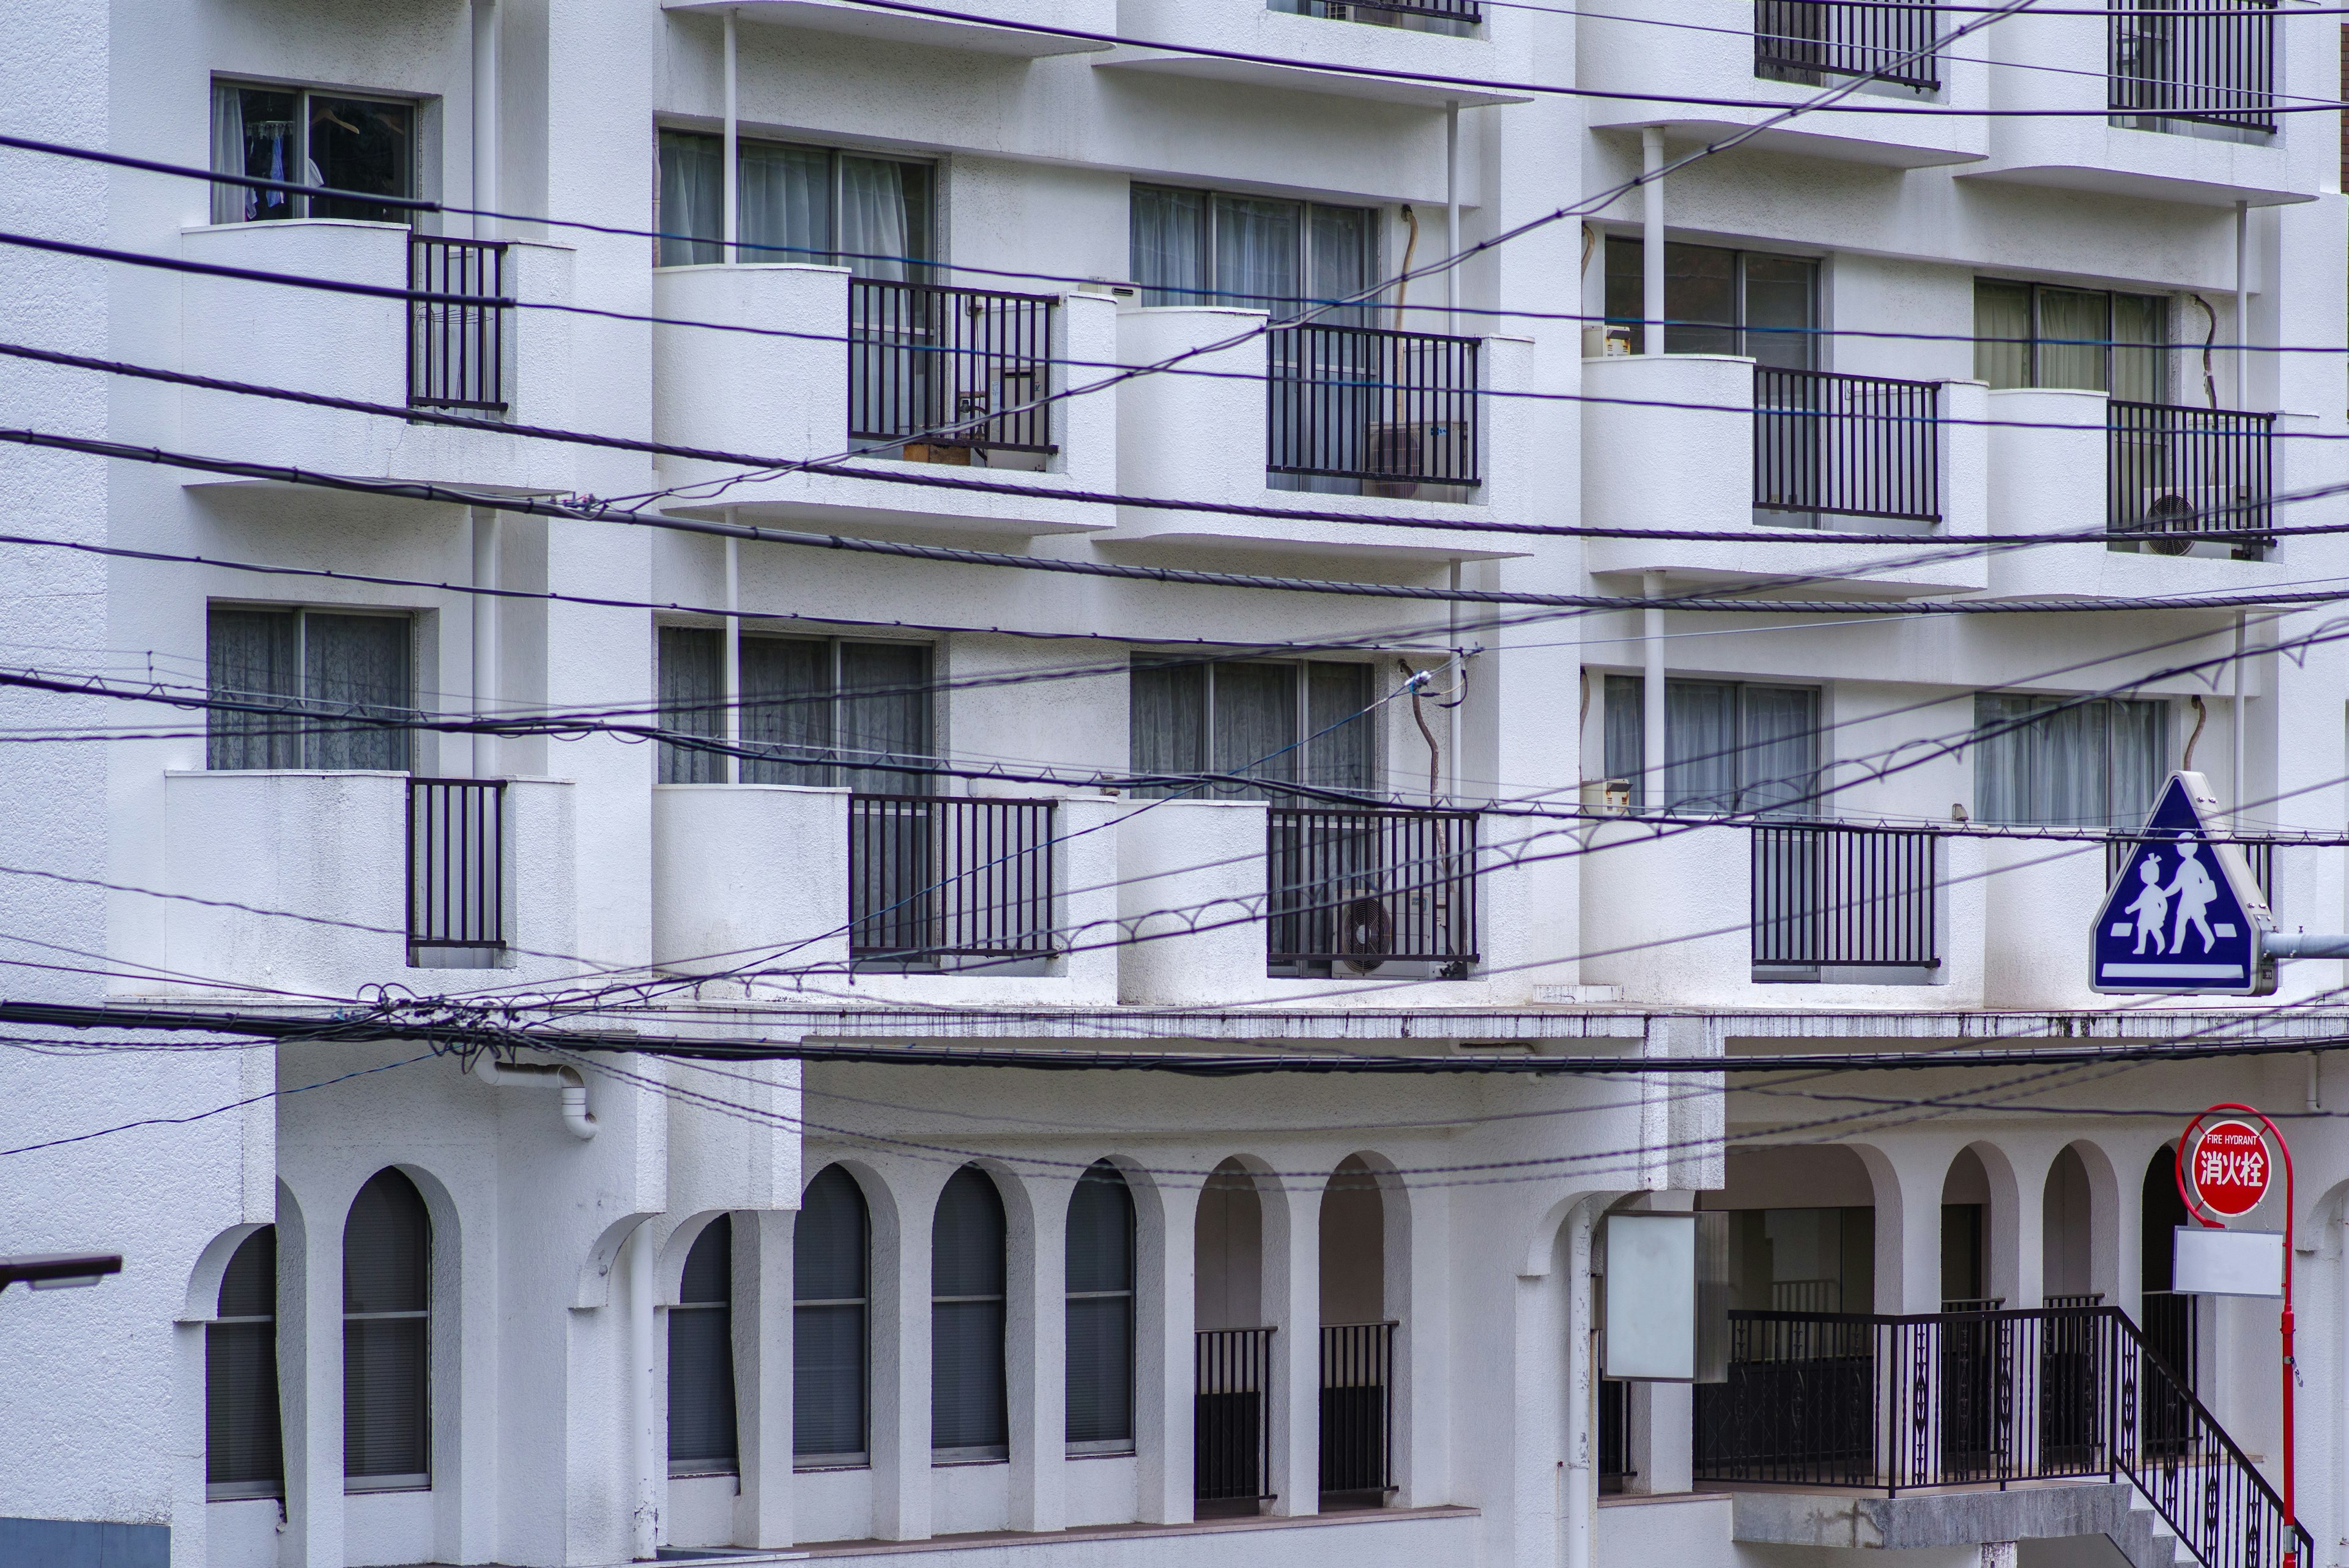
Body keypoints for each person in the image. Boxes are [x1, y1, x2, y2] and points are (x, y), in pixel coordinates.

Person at [2166, 841, 2219, 955]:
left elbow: (2177, 885)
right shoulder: (2193, 865)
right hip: (2189, 899)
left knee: (2194, 922)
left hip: (2193, 899)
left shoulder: (2187, 866)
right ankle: (2177, 947)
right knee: (2185, 922)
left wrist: (2164, 894)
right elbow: (2205, 880)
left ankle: (2208, 939)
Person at [2123, 855, 2169, 955]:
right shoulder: (2146, 891)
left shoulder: (2157, 890)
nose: (2142, 876)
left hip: (2153, 915)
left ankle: (2162, 945)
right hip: (2145, 916)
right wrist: (2131, 909)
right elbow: (2140, 902)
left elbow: (2164, 904)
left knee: (2155, 930)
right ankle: (2141, 948)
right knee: (2142, 930)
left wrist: (2162, 916)